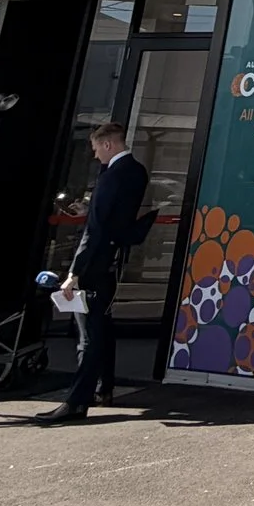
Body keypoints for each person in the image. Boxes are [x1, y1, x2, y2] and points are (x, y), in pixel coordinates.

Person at [34, 123, 148, 425]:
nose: (95, 155)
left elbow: (96, 228)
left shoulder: (112, 176)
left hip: (96, 263)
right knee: (102, 328)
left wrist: (75, 271)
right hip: (113, 258)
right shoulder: (136, 171)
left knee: (88, 335)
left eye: (96, 148)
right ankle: (102, 388)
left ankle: (76, 401)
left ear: (108, 145)